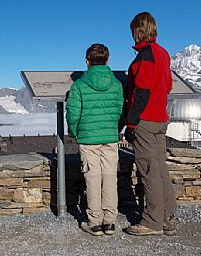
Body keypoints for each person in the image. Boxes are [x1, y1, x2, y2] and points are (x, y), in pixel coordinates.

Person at [123, 12, 177, 236]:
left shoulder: (145, 56)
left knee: (148, 170)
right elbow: (167, 86)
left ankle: (152, 221)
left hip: (145, 120)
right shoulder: (163, 53)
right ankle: (166, 215)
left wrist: (131, 123)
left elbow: (142, 92)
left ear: (137, 31)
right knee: (160, 167)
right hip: (160, 118)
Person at [66, 44, 123, 236]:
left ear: (87, 62)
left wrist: (76, 133)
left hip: (88, 138)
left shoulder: (79, 85)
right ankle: (110, 221)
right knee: (109, 177)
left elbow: (73, 114)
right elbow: (119, 110)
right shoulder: (116, 84)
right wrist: (114, 129)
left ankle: (95, 221)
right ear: (107, 60)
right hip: (110, 137)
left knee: (92, 177)